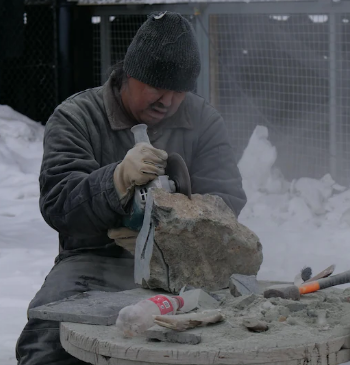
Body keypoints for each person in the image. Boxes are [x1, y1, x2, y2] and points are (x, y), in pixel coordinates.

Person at [15, 11, 246, 364]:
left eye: (179, 91)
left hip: (184, 268)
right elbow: (59, 204)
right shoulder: (77, 117)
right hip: (93, 262)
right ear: (129, 74)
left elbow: (227, 200)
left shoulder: (203, 121)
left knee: (228, 341)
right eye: (156, 86)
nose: (167, 101)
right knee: (46, 341)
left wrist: (171, 232)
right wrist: (116, 181)